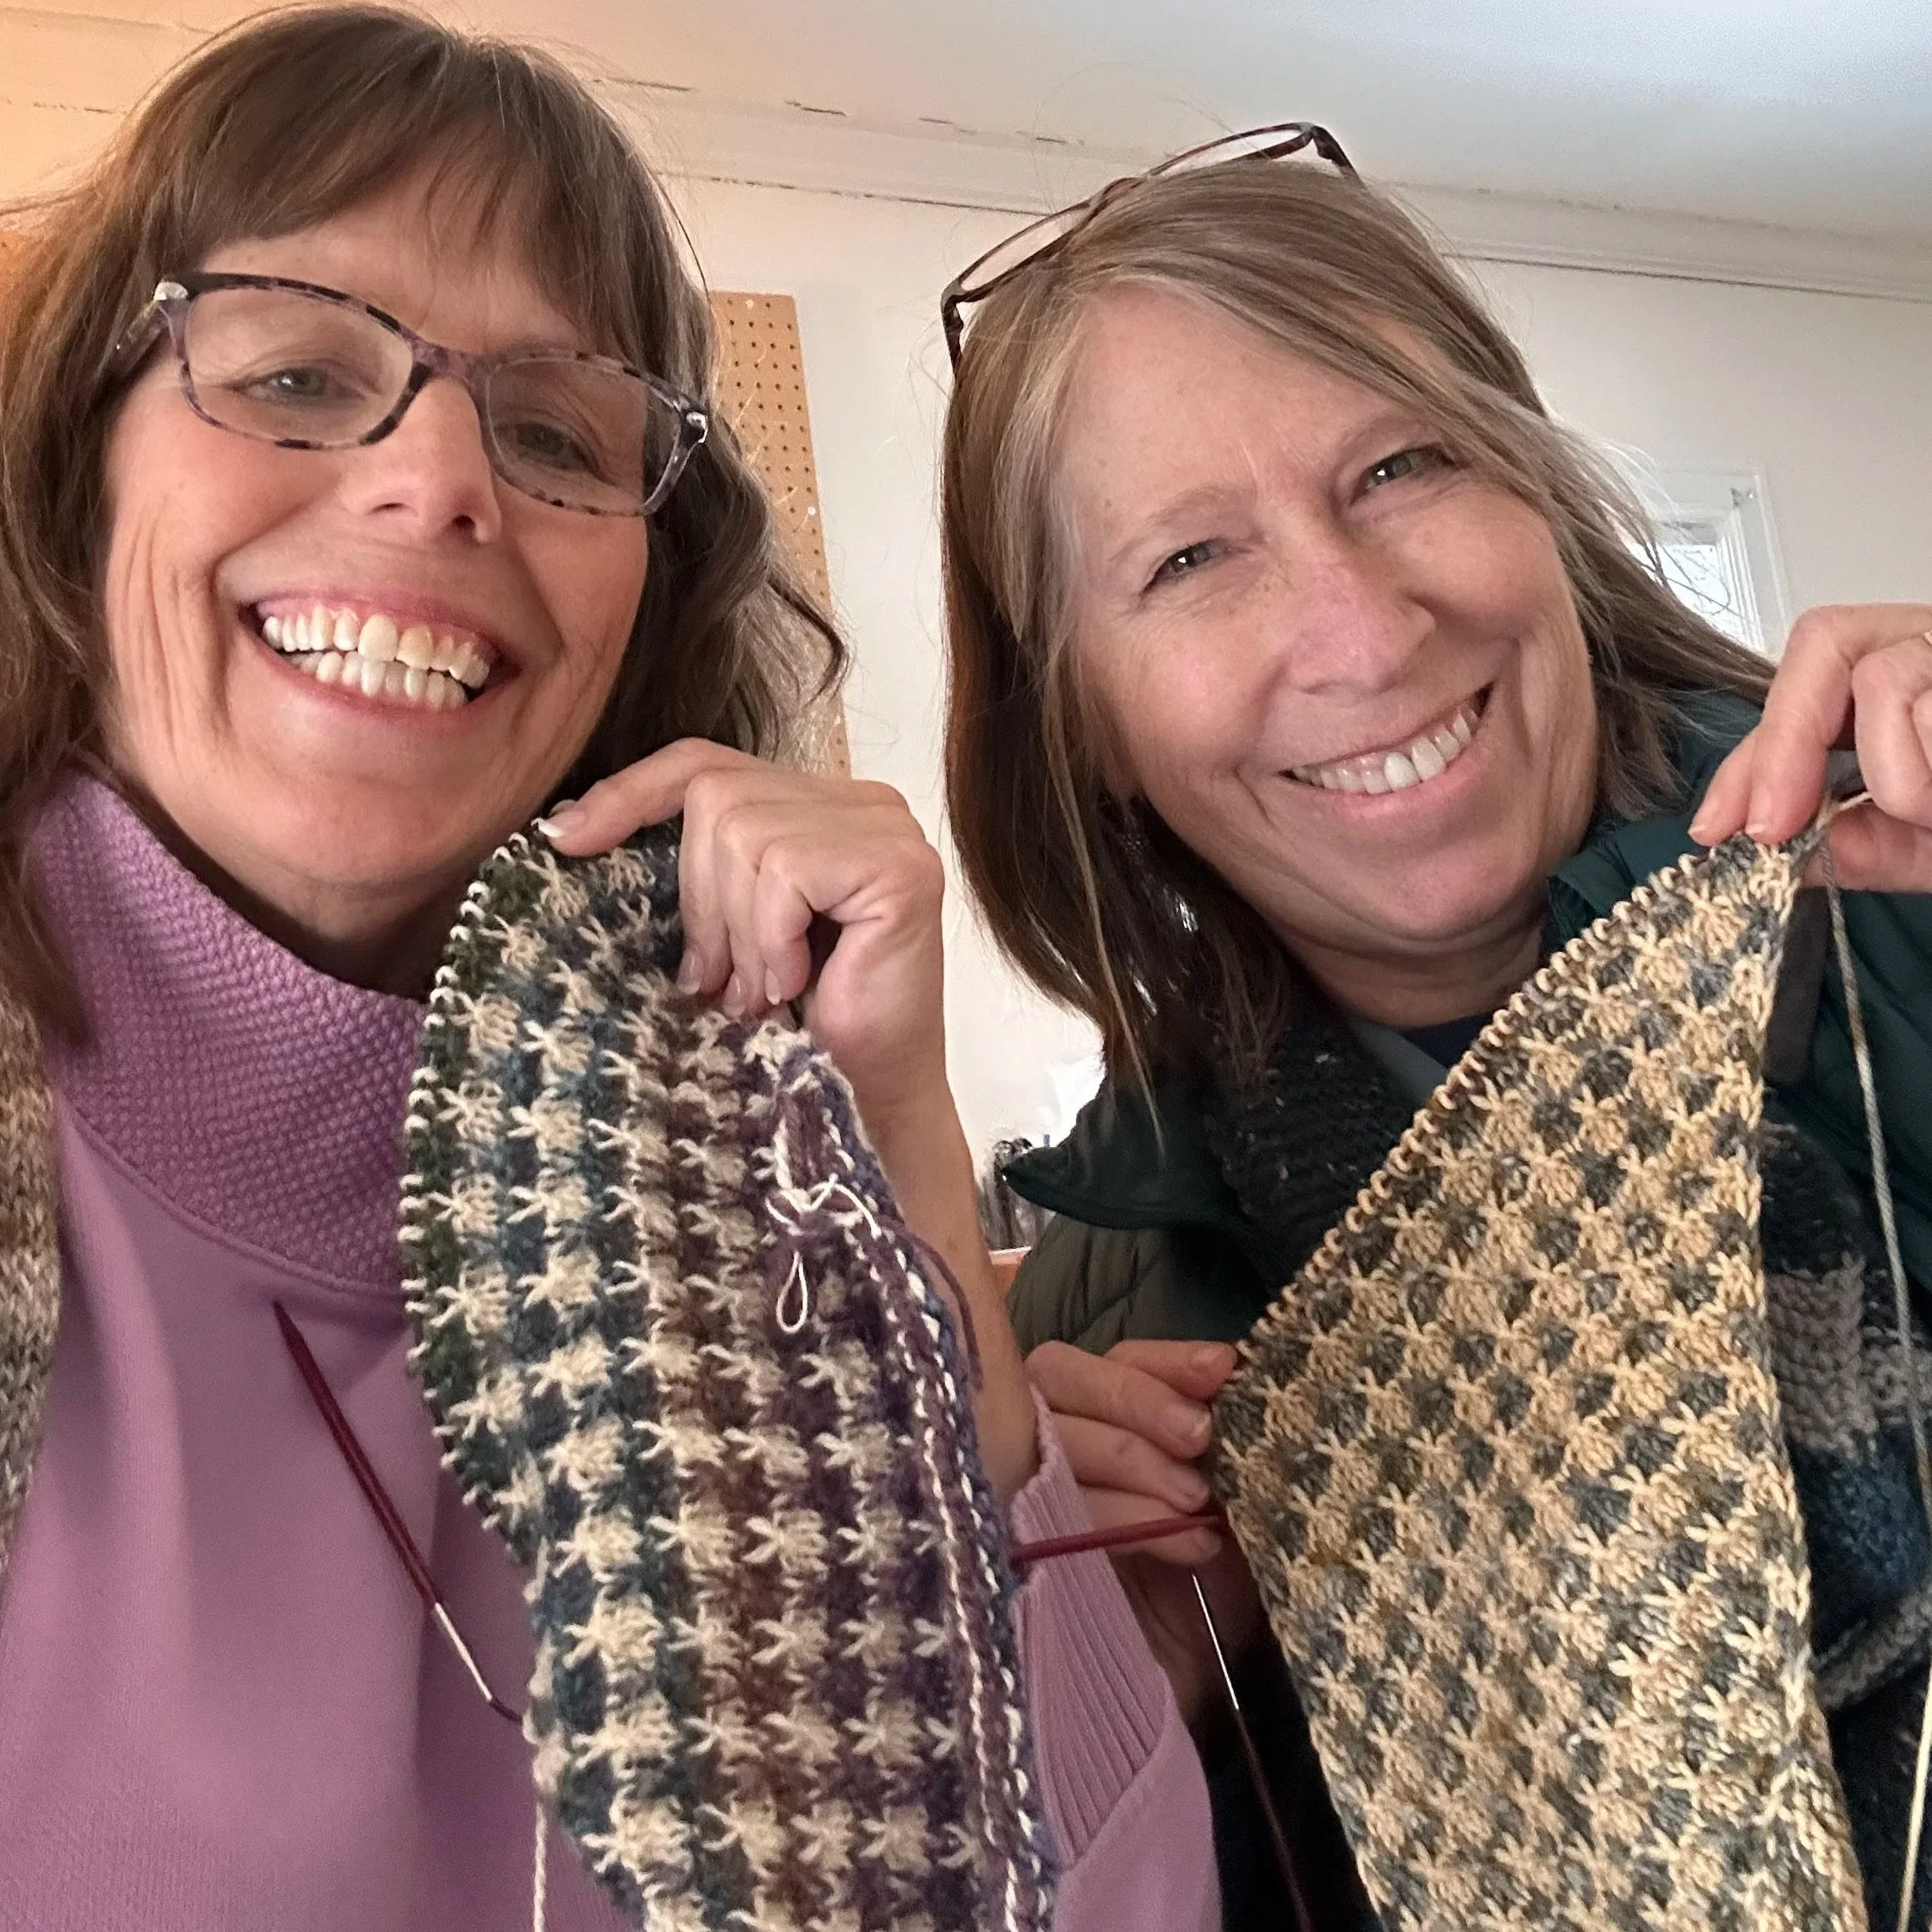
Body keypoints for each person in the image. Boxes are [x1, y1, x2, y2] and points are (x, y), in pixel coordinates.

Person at [0, 11, 1216, 1929]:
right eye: (301, 370)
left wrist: (904, 1211)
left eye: (558, 430)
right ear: (75, 460)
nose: (437, 485)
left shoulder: (748, 1191)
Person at [936, 128, 1932, 1928]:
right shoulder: (1103, 1314)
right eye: (1187, 562)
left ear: (1539, 495)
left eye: (1400, 466)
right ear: (1076, 724)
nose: (1357, 625)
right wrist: (1127, 1686)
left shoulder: (1907, 910)